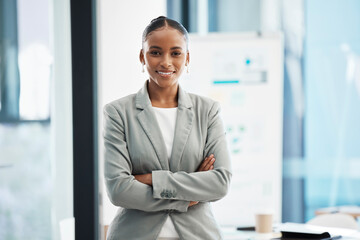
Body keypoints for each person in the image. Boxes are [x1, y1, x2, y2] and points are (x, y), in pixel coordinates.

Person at [103, 16, 232, 240]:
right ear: (142, 57)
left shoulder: (207, 110)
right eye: (155, 52)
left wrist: (151, 178)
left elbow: (220, 183)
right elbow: (119, 190)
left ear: (187, 58)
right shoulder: (118, 113)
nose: (166, 62)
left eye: (175, 53)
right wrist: (187, 197)